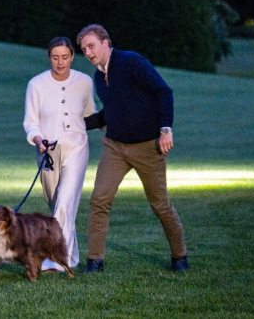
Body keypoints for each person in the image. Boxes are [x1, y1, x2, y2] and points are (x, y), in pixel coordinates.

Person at [77, 24, 189, 273]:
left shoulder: (132, 62)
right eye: (84, 49)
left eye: (91, 46)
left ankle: (179, 256)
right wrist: (76, 124)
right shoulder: (98, 76)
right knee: (99, 200)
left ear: (106, 43)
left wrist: (165, 129)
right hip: (115, 147)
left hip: (148, 147)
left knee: (160, 204)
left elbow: (163, 91)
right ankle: (95, 261)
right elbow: (111, 112)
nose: (88, 52)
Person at [23, 36, 96, 272]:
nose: (60, 62)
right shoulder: (36, 84)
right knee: (58, 205)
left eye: (65, 57)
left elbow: (90, 114)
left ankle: (54, 259)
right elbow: (31, 122)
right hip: (48, 153)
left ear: (73, 57)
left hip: (77, 148)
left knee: (65, 203)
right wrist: (38, 139)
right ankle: (71, 257)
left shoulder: (84, 82)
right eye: (55, 57)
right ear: (49, 58)